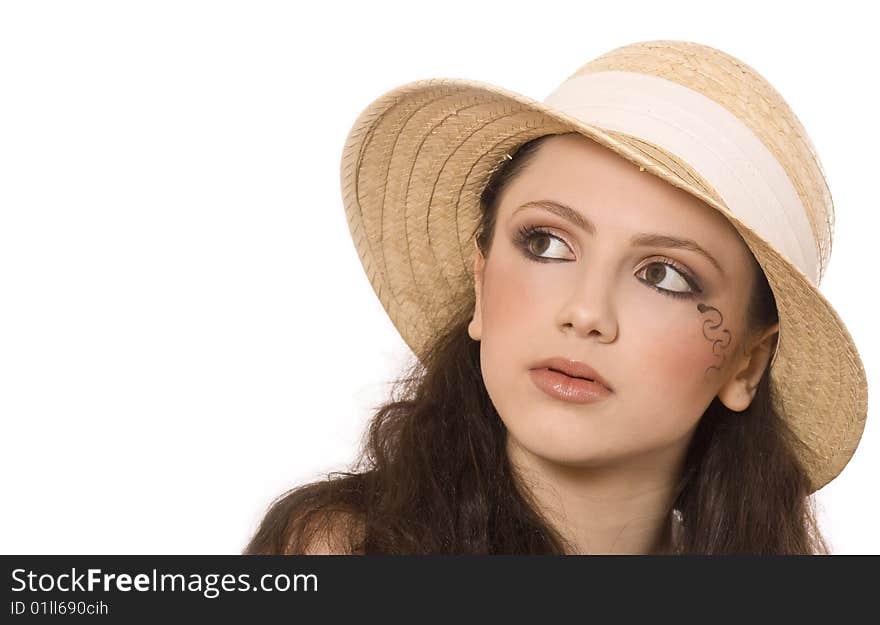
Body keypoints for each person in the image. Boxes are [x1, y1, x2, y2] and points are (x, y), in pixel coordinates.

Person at [244, 40, 867, 555]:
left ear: (747, 364)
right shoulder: (340, 552)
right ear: (482, 283)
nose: (586, 313)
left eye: (665, 276)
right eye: (545, 243)